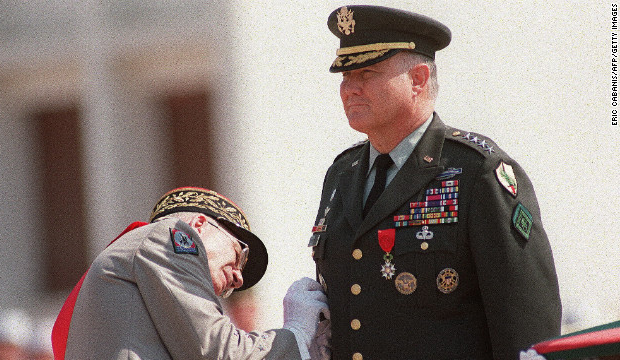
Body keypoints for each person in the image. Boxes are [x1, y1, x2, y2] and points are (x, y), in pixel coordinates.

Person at [308, 5, 561, 360]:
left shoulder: (477, 171)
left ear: (419, 79)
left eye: (366, 73)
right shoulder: (342, 173)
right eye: (345, 77)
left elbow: (527, 327)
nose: (349, 89)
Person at [53, 186, 327, 359]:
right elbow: (218, 352)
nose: (238, 278)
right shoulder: (170, 237)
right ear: (198, 224)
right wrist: (297, 334)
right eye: (239, 253)